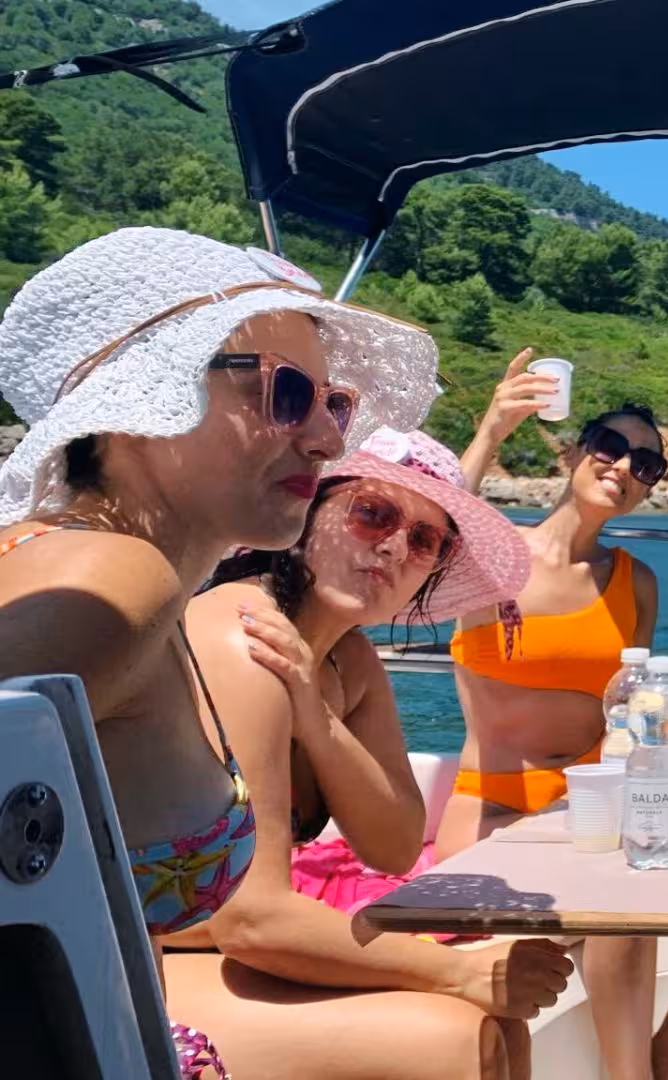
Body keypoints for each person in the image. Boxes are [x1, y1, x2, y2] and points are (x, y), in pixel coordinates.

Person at [0, 227, 437, 1077]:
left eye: (333, 405)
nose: (325, 440)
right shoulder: (111, 581)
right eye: (285, 396)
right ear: (140, 402)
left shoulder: (124, 578)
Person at [159, 427, 570, 1080]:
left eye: (424, 540)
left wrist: (317, 718)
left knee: (500, 1030)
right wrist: (460, 971)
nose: (394, 547)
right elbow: (251, 919)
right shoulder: (245, 637)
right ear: (307, 513)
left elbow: (394, 844)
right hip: (111, 970)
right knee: (459, 1039)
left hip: (201, 952)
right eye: (372, 513)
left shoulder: (347, 662)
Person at [451, 353, 668, 1080]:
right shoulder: (493, 553)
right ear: (576, 452)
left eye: (647, 462)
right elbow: (439, 517)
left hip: (598, 810)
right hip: (497, 814)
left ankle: (666, 1057)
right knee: (625, 904)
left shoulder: (635, 582)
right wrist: (491, 429)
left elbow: (637, 712)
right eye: (609, 446)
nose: (623, 466)